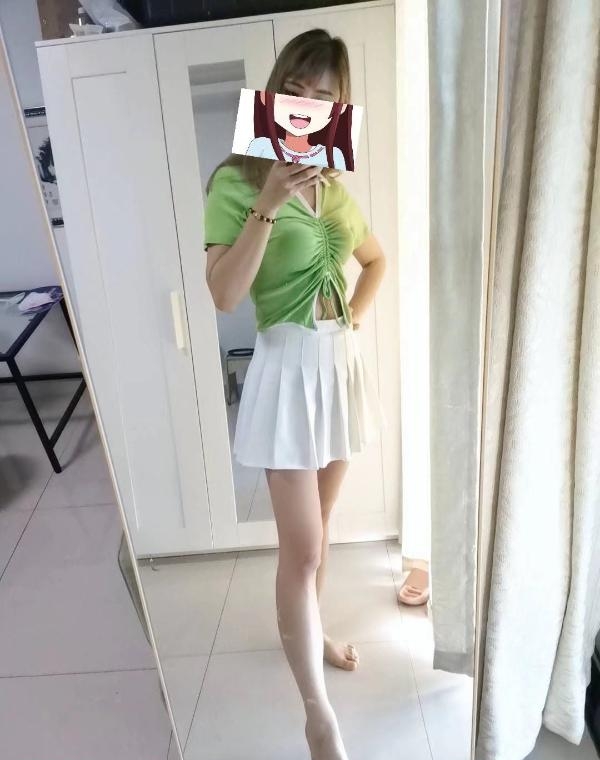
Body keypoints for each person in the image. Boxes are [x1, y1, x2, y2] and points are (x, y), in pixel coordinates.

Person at [203, 28, 386, 760]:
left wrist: (352, 323)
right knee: (302, 548)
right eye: (296, 89)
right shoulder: (235, 180)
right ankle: (318, 715)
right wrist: (268, 203)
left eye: (324, 95)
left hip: (336, 368)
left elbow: (375, 261)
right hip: (283, 371)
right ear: (275, 93)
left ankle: (317, 632)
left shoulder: (334, 186)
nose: (308, 104)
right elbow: (224, 295)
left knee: (323, 531)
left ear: (338, 107)